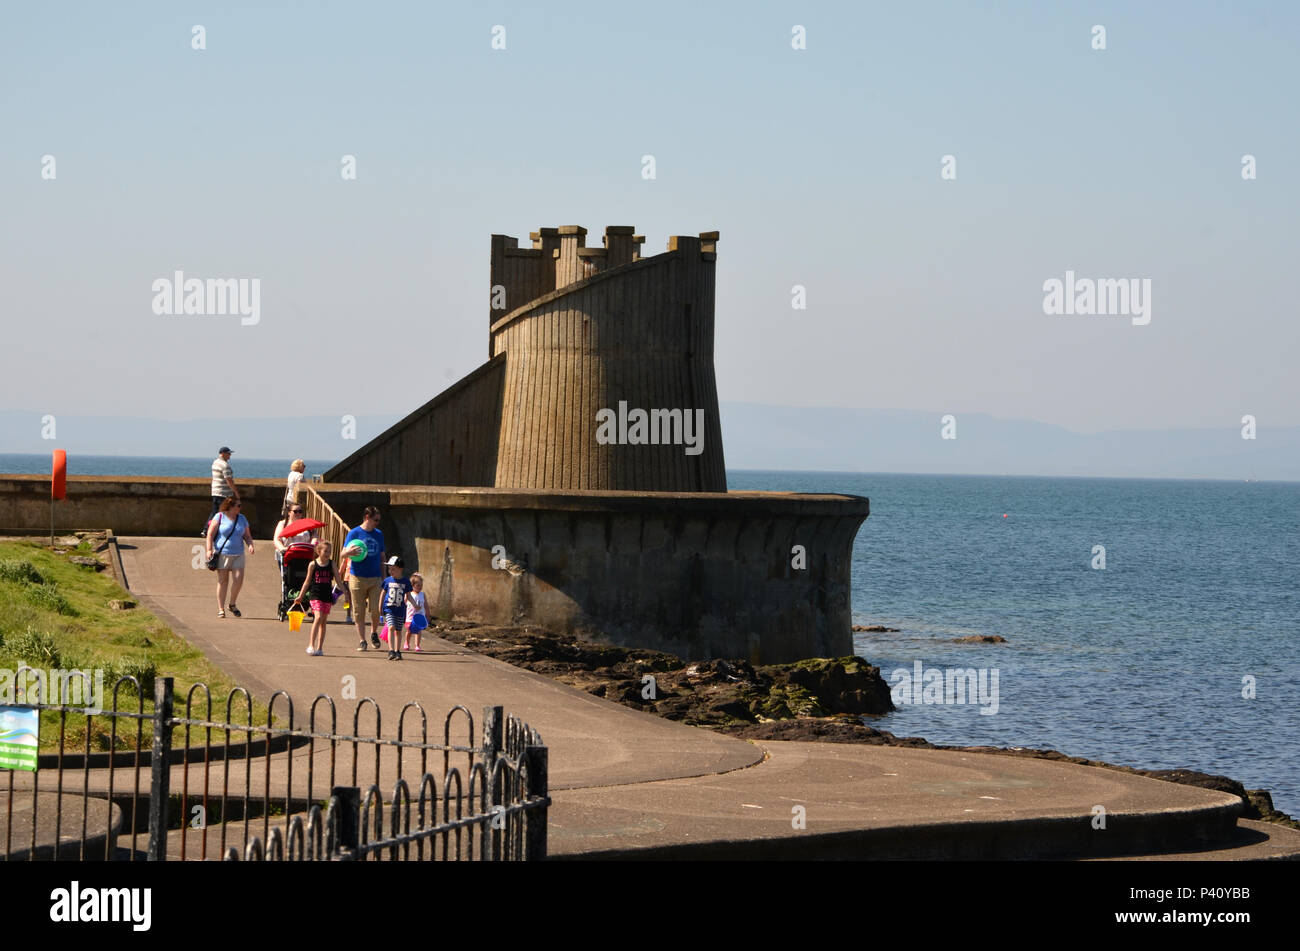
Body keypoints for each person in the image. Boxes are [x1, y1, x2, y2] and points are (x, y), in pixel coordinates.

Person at [340, 506, 385, 652]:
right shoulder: (354, 533)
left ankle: (373, 632)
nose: (377, 523)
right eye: (375, 520)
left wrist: (384, 577)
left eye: (379, 520)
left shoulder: (379, 534)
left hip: (375, 577)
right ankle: (362, 640)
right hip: (357, 577)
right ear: (367, 517)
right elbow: (342, 554)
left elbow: (382, 556)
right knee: (359, 611)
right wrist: (349, 552)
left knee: (376, 610)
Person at [206, 496, 254, 618]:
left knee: (238, 580)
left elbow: (247, 536)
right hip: (222, 553)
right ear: (231, 506)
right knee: (223, 581)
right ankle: (221, 609)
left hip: (238, 554)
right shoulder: (220, 516)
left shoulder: (242, 518)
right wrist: (209, 549)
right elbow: (210, 534)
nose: (240, 508)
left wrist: (250, 545)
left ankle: (232, 604)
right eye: (238, 505)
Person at [291, 540, 341, 656]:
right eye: (325, 551)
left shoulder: (332, 564)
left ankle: (320, 648)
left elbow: (338, 580)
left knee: (323, 622)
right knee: (317, 617)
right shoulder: (313, 564)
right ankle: (311, 645)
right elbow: (307, 582)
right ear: (319, 551)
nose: (328, 553)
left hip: (327, 596)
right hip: (315, 595)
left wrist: (346, 593)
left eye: (329, 551)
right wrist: (300, 596)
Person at [380, 556, 415, 661]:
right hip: (389, 609)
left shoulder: (406, 582)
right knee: (391, 627)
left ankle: (397, 651)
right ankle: (391, 650)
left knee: (398, 631)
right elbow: (382, 594)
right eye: (389, 569)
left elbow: (409, 596)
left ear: (400, 569)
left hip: (400, 610)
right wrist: (380, 606)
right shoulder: (387, 581)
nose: (390, 571)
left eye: (393, 569)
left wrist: (414, 604)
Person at [209, 447, 239, 521]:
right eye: (228, 453)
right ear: (222, 454)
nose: (230, 455)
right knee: (224, 514)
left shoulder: (215, 463)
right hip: (223, 493)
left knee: (215, 513)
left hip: (215, 492)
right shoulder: (225, 465)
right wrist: (236, 492)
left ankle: (206, 530)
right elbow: (229, 480)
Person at [402, 573, 427, 652]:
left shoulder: (423, 594)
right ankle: (407, 642)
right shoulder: (409, 594)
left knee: (418, 631)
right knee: (409, 631)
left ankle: (417, 645)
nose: (420, 587)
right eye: (418, 585)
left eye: (421, 585)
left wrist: (427, 614)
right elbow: (404, 602)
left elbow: (426, 604)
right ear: (412, 585)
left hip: (419, 616)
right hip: (410, 616)